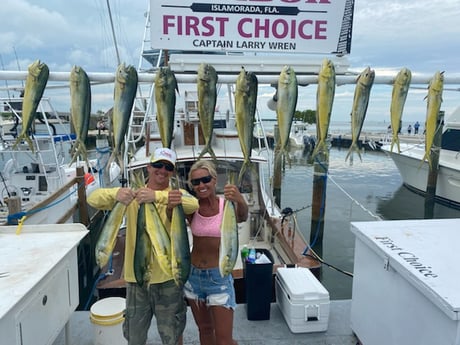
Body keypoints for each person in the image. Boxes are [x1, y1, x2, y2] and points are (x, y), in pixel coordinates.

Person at [87, 148, 199, 345]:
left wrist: (156, 197)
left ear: (172, 172)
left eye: (168, 167)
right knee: (134, 336)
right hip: (136, 279)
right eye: (158, 165)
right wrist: (116, 193)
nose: (162, 170)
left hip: (168, 279)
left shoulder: (174, 195)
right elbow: (92, 199)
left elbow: (193, 205)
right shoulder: (132, 196)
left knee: (172, 335)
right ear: (149, 167)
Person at [184, 160, 248, 345]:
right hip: (193, 276)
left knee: (223, 339)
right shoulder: (192, 207)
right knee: (204, 330)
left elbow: (242, 216)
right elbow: (172, 216)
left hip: (218, 277)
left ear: (214, 180)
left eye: (205, 180)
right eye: (196, 182)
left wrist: (240, 199)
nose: (201, 185)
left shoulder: (225, 205)